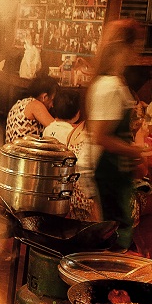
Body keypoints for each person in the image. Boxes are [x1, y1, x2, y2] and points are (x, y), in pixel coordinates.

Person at [87, 19, 147, 252]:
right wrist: (135, 150)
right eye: (135, 47)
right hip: (108, 173)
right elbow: (100, 136)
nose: (137, 53)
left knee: (117, 234)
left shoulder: (107, 82)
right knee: (115, 239)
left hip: (114, 173)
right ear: (123, 49)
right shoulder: (110, 86)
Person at [42, 90, 98, 221]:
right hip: (70, 193)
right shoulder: (72, 132)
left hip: (52, 185)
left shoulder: (48, 129)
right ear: (78, 113)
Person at [4, 76, 57, 143]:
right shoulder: (35, 105)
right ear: (44, 97)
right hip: (24, 152)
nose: (52, 105)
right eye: (52, 100)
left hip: (13, 151)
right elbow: (56, 129)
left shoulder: (20, 104)